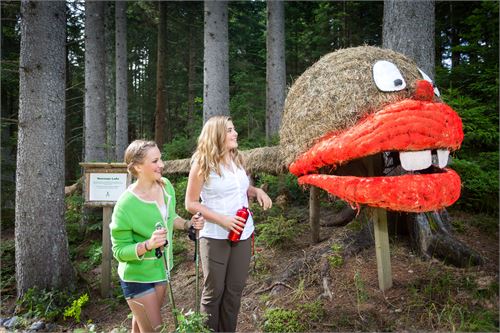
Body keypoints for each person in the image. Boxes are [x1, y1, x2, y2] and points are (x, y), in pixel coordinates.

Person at [185, 116, 272, 332]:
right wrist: (222, 219)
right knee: (214, 292)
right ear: (216, 135)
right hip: (215, 235)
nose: (235, 134)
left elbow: (240, 189)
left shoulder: (237, 159)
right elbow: (190, 202)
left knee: (234, 291)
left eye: (234, 129)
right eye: (230, 130)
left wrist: (256, 191)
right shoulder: (202, 163)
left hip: (243, 233)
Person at [110, 139, 204, 333]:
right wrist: (148, 244)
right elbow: (119, 251)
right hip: (137, 276)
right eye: (155, 161)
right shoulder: (125, 204)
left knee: (141, 325)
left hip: (162, 270)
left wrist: (188, 224)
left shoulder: (165, 186)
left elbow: (171, 217)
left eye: (160, 159)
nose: (161, 164)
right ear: (137, 166)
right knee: (155, 329)